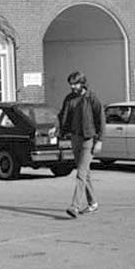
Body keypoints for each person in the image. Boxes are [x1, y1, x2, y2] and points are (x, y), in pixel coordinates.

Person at [58, 70, 103, 218]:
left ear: (82, 83)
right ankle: (93, 203)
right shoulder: (69, 99)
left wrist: (99, 141)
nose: (72, 87)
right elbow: (62, 115)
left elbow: (101, 120)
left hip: (88, 139)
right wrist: (57, 128)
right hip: (75, 138)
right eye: (71, 84)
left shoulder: (91, 98)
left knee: (81, 174)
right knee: (85, 173)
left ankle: (74, 206)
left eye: (75, 84)